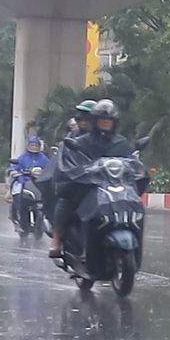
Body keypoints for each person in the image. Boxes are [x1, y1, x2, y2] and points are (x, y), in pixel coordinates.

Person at [49, 99, 133, 257]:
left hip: (112, 186)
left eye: (109, 120)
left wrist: (137, 170)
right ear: (95, 121)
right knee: (66, 201)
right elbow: (69, 163)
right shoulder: (80, 142)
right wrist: (78, 172)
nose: (106, 123)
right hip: (87, 185)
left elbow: (130, 162)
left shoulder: (121, 142)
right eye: (102, 120)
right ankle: (57, 238)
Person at [9, 135, 50, 228]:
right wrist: (15, 172)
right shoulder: (23, 157)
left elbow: (50, 168)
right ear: (28, 146)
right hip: (23, 181)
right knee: (18, 194)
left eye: (36, 145)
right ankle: (20, 218)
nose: (34, 147)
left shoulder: (44, 158)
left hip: (39, 184)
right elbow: (14, 167)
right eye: (32, 145)